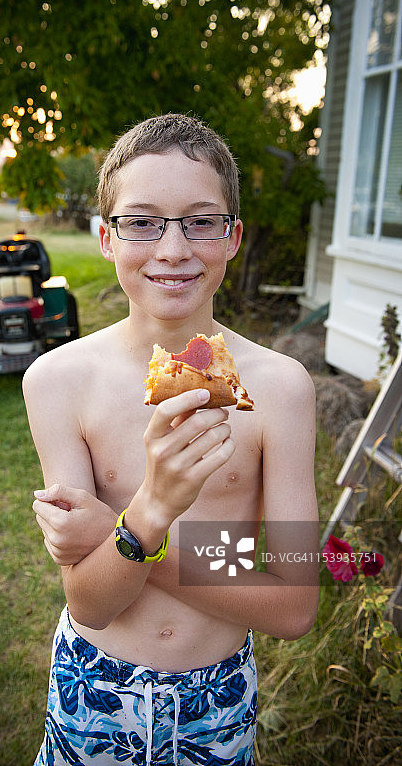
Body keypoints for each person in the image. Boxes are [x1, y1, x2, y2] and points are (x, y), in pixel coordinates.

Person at [24, 113, 319, 766]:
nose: (173, 248)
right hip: (94, 684)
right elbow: (92, 603)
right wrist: (152, 507)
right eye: (143, 221)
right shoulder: (57, 380)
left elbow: (294, 603)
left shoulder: (281, 389)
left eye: (201, 220)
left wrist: (130, 533)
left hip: (218, 699)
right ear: (106, 236)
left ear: (233, 236)